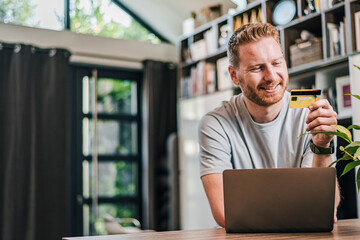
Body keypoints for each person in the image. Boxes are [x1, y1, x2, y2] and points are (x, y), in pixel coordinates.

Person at [198, 22, 339, 228]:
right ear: (234, 75)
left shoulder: (310, 113)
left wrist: (322, 146)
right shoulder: (216, 124)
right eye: (257, 67)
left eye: (276, 63)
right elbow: (224, 213)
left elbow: (325, 206)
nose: (271, 77)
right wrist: (302, 213)